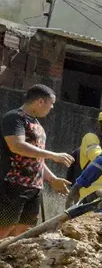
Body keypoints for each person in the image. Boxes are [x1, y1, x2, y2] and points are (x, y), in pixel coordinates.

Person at [0, 85, 73, 239]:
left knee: (22, 232)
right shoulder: (14, 118)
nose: (52, 107)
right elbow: (17, 146)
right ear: (40, 101)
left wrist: (52, 179)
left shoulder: (37, 124)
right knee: (4, 229)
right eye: (51, 103)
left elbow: (36, 157)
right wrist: (53, 155)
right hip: (12, 184)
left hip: (34, 187)